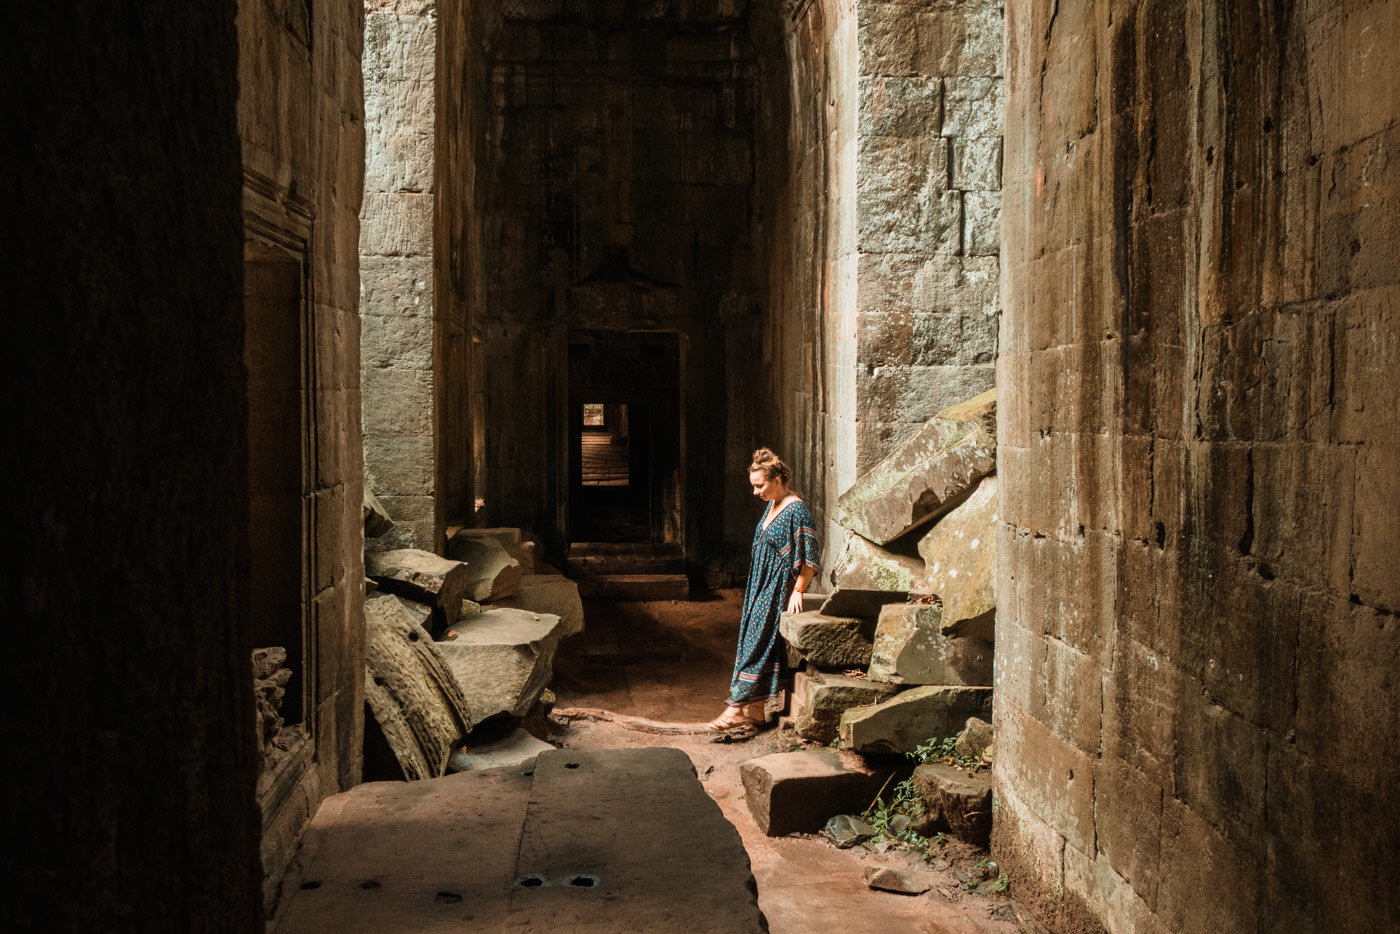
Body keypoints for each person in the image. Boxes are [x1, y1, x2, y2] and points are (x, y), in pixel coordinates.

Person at [708, 448, 820, 731]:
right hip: (759, 584)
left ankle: (734, 709)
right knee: (755, 640)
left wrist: (798, 590)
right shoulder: (772, 505)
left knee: (756, 643)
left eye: (760, 485)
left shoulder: (797, 510)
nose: (755, 491)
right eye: (753, 486)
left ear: (779, 478)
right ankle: (755, 710)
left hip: (776, 587)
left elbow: (810, 557)